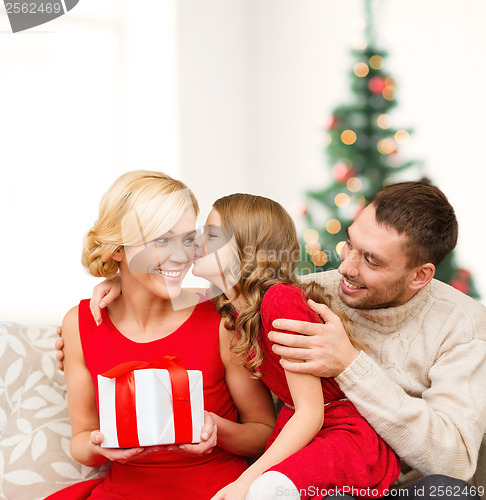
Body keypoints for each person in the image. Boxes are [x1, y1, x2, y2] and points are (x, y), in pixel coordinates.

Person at [76, 193, 401, 499]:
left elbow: (310, 412)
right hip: (308, 433)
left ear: (246, 249)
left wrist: (246, 480)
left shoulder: (279, 300)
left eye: (211, 237)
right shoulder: (233, 307)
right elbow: (159, 295)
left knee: (263, 489)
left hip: (340, 434)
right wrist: (118, 279)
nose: (194, 245)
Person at [47, 171, 276, 500]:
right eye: (161, 240)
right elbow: (81, 441)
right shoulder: (80, 324)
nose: (181, 256)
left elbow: (263, 432)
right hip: (124, 492)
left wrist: (215, 428)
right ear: (117, 249)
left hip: (217, 490)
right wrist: (102, 446)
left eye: (187, 239)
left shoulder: (220, 316)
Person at [265, 181, 486, 499]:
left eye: (372, 261)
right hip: (322, 481)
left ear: (419, 276)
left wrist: (349, 365)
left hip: (407, 491)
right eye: (349, 244)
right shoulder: (305, 295)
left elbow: (455, 463)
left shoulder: (463, 325)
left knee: (448, 493)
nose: (345, 267)